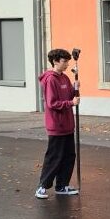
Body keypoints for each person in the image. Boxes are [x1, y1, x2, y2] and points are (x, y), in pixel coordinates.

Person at [35, 48, 80, 199]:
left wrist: (75, 89)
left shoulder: (64, 78)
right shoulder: (51, 79)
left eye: (67, 61)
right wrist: (70, 103)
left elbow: (69, 96)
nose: (67, 64)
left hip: (68, 124)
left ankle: (62, 185)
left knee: (69, 156)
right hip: (56, 125)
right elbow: (52, 103)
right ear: (55, 61)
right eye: (64, 61)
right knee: (54, 157)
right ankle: (42, 187)